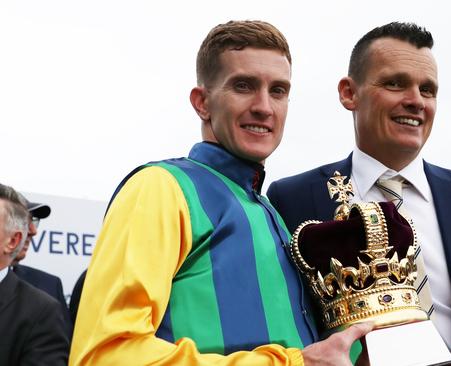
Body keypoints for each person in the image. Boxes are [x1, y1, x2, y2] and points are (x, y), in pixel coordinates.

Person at [69, 20, 371, 366]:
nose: (264, 107)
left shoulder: (270, 211)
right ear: (202, 103)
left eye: (278, 91)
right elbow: (105, 355)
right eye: (243, 86)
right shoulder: (159, 187)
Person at [267, 22, 451, 366]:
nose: (416, 101)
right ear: (349, 93)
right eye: (395, 83)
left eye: (428, 90)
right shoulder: (293, 197)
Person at [0, 183, 69, 366]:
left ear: (12, 240)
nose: (32, 231)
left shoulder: (42, 310)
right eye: (25, 221)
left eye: (31, 221)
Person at [12, 197, 72, 336]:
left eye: (33, 221)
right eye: (21, 220)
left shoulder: (50, 285)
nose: (32, 231)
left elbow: (65, 350)